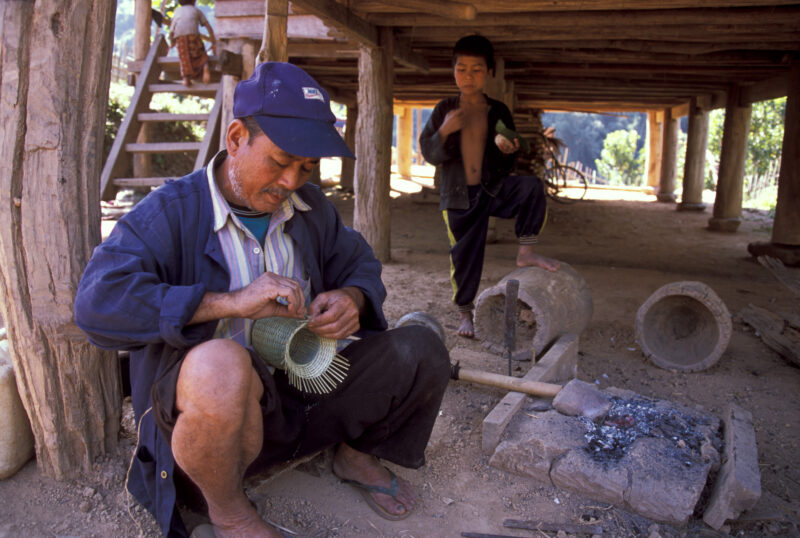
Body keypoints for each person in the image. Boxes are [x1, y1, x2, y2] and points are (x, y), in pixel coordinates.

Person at [74, 62, 450, 538]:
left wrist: (352, 297)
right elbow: (96, 303)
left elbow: (361, 265)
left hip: (300, 396)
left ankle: (353, 457)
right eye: (280, 161)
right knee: (220, 367)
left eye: (307, 167)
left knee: (419, 348)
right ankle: (228, 513)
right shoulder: (170, 212)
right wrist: (228, 302)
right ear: (235, 139)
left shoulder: (310, 210)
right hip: (213, 428)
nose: (292, 180)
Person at [419, 34, 559, 339]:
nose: (468, 77)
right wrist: (443, 131)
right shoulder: (444, 109)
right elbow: (429, 152)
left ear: (489, 73)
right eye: (462, 69)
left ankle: (526, 252)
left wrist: (510, 149)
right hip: (457, 195)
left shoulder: (498, 111)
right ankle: (465, 313)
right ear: (453, 70)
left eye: (477, 70)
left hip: (492, 189)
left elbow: (510, 155)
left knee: (531, 187)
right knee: (465, 256)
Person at [169, 0, 217, 86]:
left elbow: (171, 31)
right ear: (193, 1)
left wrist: (172, 42)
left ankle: (186, 78)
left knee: (184, 58)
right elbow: (208, 27)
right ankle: (205, 66)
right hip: (193, 36)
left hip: (180, 39)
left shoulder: (177, 11)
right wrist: (213, 42)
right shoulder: (196, 10)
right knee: (201, 53)